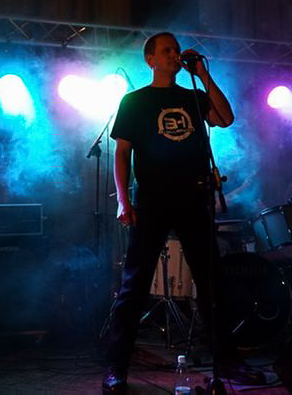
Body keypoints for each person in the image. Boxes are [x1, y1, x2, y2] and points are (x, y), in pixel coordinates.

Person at [102, 32, 234, 393]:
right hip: (153, 200)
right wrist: (122, 199)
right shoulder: (135, 101)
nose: (174, 54)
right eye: (167, 50)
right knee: (135, 284)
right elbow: (122, 153)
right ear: (151, 60)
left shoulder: (193, 96)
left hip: (193, 197)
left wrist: (203, 75)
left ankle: (227, 362)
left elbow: (226, 118)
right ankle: (116, 368)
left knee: (210, 281)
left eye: (176, 49)